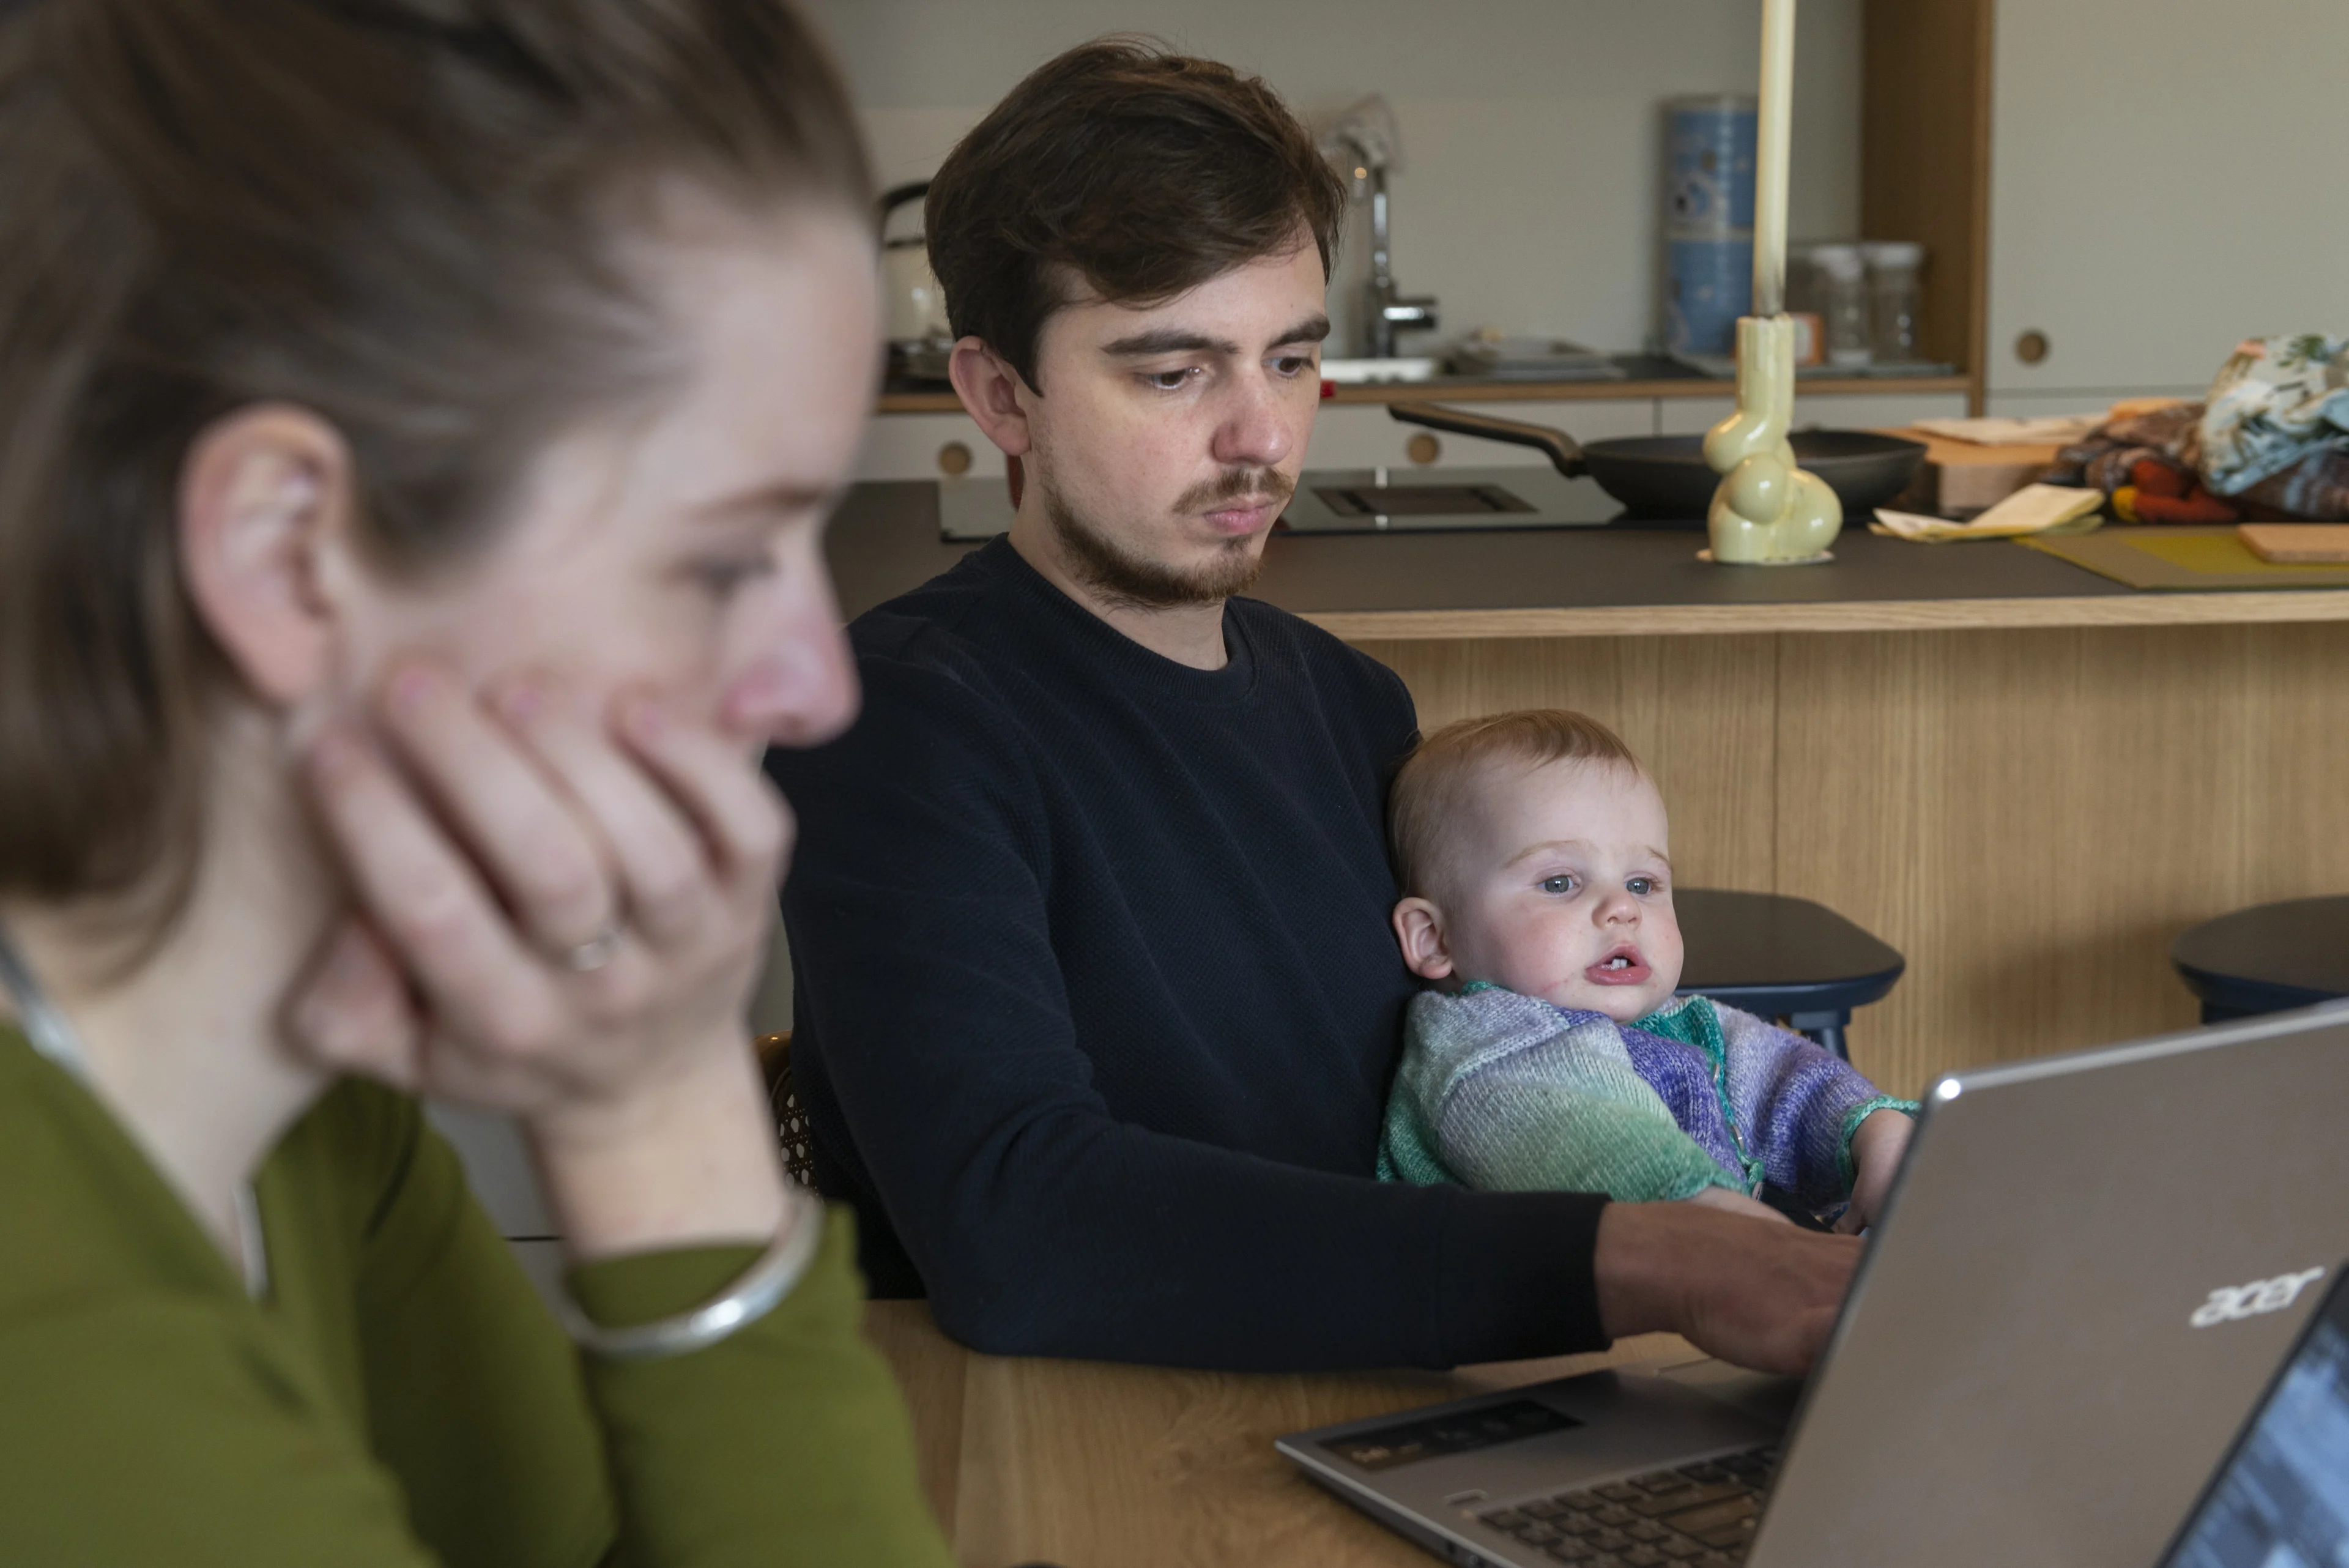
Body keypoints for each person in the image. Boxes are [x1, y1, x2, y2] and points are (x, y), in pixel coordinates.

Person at [0, 2, 948, 1562]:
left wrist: (637, 1092)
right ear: (281, 549)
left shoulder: (302, 1119)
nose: (814, 678)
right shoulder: (52, 1357)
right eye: (723, 557)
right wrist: (667, 1130)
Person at [767, 39, 1861, 1376]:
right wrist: (1650, 1260)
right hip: (1078, 1431)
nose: (1261, 438)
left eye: (1289, 361)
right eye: (1174, 375)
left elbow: (1496, 1059)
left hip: (1379, 1394)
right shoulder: (900, 725)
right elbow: (1019, 1226)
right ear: (1002, 395)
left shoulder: (1350, 702)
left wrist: (1827, 1147)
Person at [1379, 710, 1916, 1230]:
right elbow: (1591, 1140)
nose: (1623, 908)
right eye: (1560, 882)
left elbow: (1782, 1080)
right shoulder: (1478, 1055)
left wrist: (1870, 1129)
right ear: (1434, 938)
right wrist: (1718, 1213)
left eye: (1642, 883)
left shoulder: (1677, 1021)